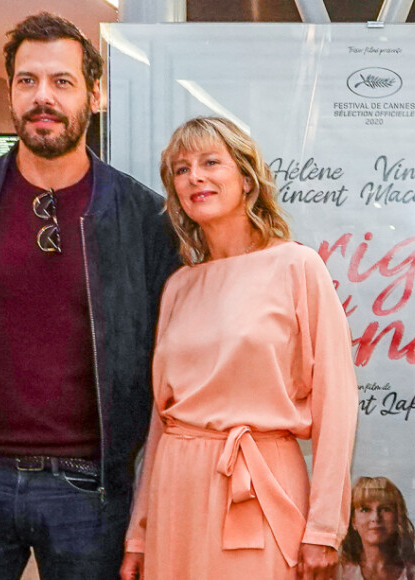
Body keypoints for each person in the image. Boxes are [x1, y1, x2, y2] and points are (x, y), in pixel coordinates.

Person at [0, 12, 178, 580]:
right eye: (27, 81)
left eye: (62, 81)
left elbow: (164, 350)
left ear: (94, 94)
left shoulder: (143, 219)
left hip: (94, 489)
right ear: (10, 91)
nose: (43, 97)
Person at [120, 116, 358, 580]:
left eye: (211, 162)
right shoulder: (179, 286)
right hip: (176, 494)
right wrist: (140, 532)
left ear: (246, 179)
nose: (195, 177)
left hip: (259, 487)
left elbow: (338, 403)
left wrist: (324, 528)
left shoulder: (298, 267)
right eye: (181, 169)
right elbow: (160, 421)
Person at [341, 476, 415, 580]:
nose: (375, 518)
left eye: (385, 509)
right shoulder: (336, 573)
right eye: (365, 510)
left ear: (398, 518)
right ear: (353, 521)